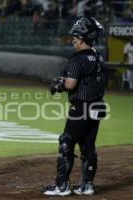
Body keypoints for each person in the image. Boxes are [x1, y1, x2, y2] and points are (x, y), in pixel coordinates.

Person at [43, 16, 106, 196]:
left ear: (83, 39)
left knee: (66, 142)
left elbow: (70, 84)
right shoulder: (98, 56)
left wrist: (58, 86)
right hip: (98, 106)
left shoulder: (77, 58)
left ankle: (61, 186)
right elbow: (88, 79)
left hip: (81, 107)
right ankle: (87, 186)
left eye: (75, 38)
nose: (73, 40)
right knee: (88, 145)